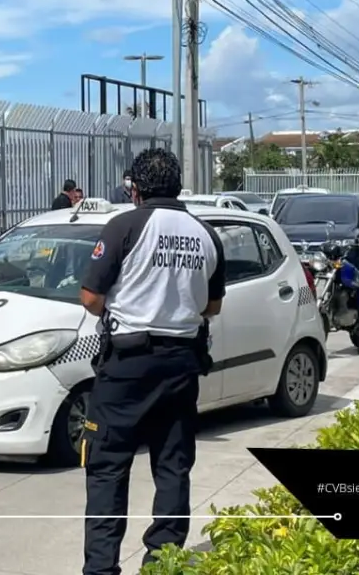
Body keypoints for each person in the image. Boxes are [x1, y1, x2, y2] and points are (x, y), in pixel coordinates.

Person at [78, 148, 226, 575]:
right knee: (173, 465)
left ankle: (101, 570)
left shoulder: (125, 225)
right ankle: (163, 563)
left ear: (135, 189)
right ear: (178, 186)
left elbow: (91, 298)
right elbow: (212, 305)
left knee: (107, 468)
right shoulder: (205, 233)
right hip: (181, 363)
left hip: (127, 365)